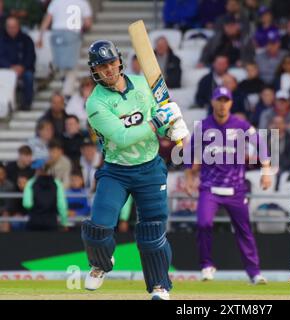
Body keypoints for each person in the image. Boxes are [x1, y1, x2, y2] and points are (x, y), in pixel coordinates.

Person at [80, 40, 189, 300]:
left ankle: (159, 287)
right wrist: (156, 123)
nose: (108, 70)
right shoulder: (95, 103)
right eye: (101, 66)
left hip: (150, 168)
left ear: (119, 61)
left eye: (111, 63)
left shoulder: (142, 84)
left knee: (152, 232)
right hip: (116, 170)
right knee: (97, 228)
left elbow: (157, 119)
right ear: (94, 70)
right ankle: (101, 263)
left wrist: (170, 128)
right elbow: (122, 136)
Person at [184, 86, 271, 285]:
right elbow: (189, 153)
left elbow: (262, 144)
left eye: (226, 100)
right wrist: (189, 178)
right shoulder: (203, 126)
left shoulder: (240, 125)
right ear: (213, 102)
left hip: (236, 189)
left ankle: (254, 273)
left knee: (244, 230)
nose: (222, 104)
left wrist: (266, 171)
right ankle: (206, 265)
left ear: (231, 103)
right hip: (209, 187)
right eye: (219, 100)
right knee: (203, 223)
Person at [37, 0, 93, 96]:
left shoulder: (56, 2)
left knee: (61, 64)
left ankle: (65, 85)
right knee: (72, 66)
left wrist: (40, 36)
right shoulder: (82, 2)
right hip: (72, 34)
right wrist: (82, 29)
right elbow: (88, 23)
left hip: (56, 34)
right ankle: (67, 93)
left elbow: (48, 18)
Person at [0, 16, 36, 110]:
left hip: (24, 69)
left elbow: (30, 55)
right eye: (9, 27)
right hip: (5, 69)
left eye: (14, 27)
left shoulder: (26, 40)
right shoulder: (1, 40)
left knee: (29, 76)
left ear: (18, 26)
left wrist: (22, 67)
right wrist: (10, 67)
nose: (12, 29)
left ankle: (26, 104)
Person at [22, 159, 68, 231]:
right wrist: (64, 222)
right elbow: (62, 206)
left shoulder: (30, 183)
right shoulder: (57, 183)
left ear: (38, 170)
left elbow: (27, 204)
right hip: (51, 223)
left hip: (34, 222)